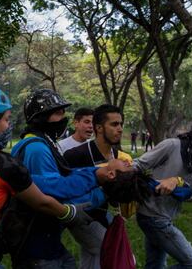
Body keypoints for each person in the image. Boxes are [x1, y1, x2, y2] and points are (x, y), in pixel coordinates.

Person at [0, 84, 92, 268]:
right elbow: (44, 197)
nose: (9, 126)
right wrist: (74, 209)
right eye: (6, 119)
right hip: (25, 245)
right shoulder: (3, 162)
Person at [9, 89, 130, 268]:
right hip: (37, 244)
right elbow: (57, 191)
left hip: (50, 240)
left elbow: (64, 177)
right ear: (41, 117)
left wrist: (100, 174)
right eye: (58, 113)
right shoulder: (37, 149)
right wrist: (100, 182)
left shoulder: (44, 143)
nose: (63, 118)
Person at [134, 111, 192, 268]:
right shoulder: (172, 145)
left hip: (167, 215)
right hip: (152, 215)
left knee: (155, 264)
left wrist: (179, 183)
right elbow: (139, 165)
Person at [63, 104, 133, 269]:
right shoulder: (75, 155)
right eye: (114, 124)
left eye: (121, 124)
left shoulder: (117, 156)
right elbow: (66, 190)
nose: (120, 129)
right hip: (80, 216)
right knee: (109, 251)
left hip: (103, 214)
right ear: (99, 128)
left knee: (93, 258)